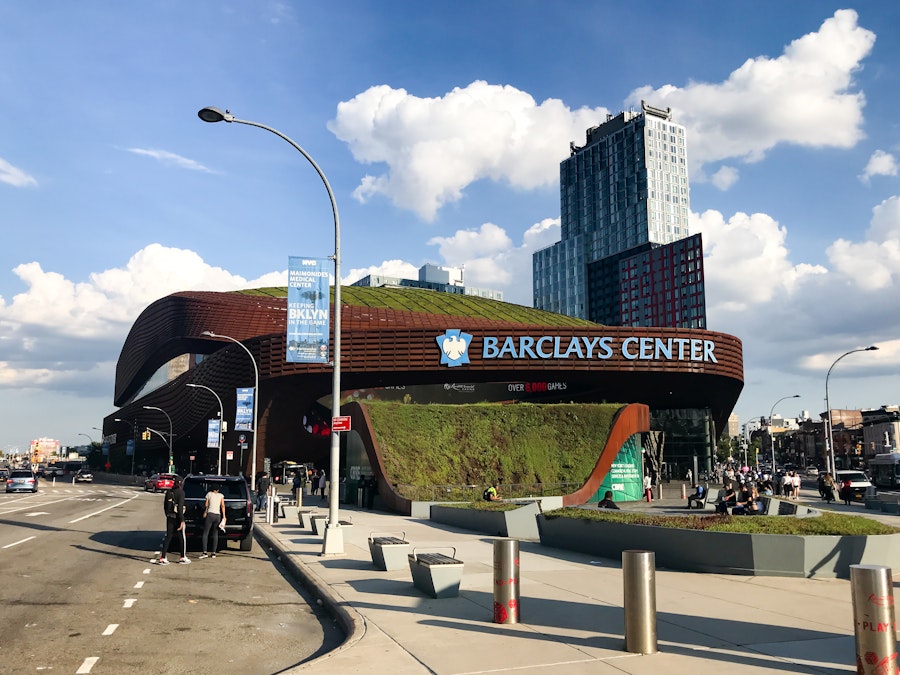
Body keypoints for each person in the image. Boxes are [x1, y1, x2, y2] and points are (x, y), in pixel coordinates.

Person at [156, 477, 190, 565]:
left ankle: (163, 557)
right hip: (177, 517)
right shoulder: (181, 493)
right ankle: (182, 557)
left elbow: (165, 506)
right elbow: (180, 508)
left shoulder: (169, 492)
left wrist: (167, 514)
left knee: (168, 536)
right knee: (181, 537)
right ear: (181, 483)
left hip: (170, 516)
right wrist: (182, 520)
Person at [198, 483, 226, 559]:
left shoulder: (209, 494)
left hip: (210, 514)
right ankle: (213, 552)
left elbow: (206, 504)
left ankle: (204, 552)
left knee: (206, 533)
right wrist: (224, 516)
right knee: (215, 533)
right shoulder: (221, 495)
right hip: (218, 515)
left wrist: (205, 512)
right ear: (218, 490)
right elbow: (222, 506)